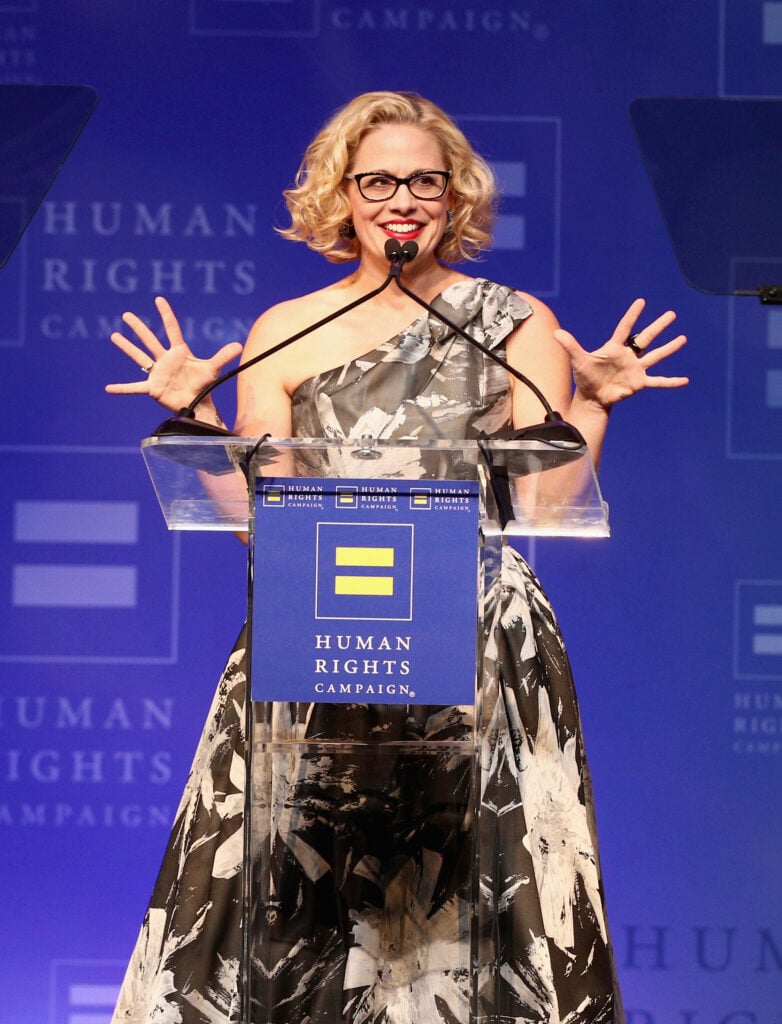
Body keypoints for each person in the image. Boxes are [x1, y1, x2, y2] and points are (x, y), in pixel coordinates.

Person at [106, 91, 687, 1024]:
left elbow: (545, 507)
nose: (402, 199)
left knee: (477, 891)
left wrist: (593, 408)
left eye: (425, 179)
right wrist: (197, 421)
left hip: (480, 647)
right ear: (342, 194)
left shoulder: (508, 320)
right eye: (378, 180)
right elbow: (267, 526)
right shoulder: (283, 332)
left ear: (455, 197)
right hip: (324, 638)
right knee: (298, 897)